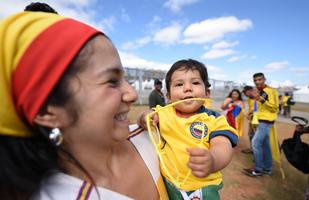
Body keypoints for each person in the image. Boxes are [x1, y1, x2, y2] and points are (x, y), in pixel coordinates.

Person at [0, 12, 168, 199]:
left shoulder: (154, 138)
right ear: (46, 111)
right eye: (112, 81)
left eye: (125, 78)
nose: (132, 94)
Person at [139, 59, 238, 199]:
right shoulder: (163, 114)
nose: (187, 88)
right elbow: (144, 116)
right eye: (179, 84)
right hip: (168, 184)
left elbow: (223, 144)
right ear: (169, 96)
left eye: (195, 83)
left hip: (201, 188)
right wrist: (145, 117)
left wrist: (213, 160)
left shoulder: (214, 119)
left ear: (207, 93)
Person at [244, 73, 279, 177]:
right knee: (265, 146)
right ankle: (267, 169)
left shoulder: (271, 91)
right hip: (260, 120)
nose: (258, 82)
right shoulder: (258, 91)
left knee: (255, 143)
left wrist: (261, 99)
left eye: (260, 79)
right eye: (255, 80)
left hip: (266, 121)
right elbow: (259, 107)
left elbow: (275, 107)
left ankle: (258, 169)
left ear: (264, 79)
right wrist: (252, 112)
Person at [241, 86, 256, 154]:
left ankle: (258, 151)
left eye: (245, 92)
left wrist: (249, 113)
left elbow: (256, 107)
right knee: (250, 134)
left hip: (259, 121)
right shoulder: (249, 99)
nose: (245, 94)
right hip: (252, 120)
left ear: (250, 90)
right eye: (244, 93)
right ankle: (252, 149)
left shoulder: (257, 97)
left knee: (257, 136)